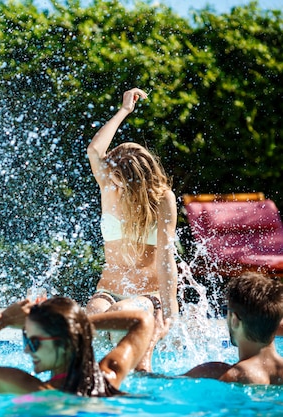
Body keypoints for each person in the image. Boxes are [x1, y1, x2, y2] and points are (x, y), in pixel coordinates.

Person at [85, 88, 179, 360]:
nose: (109, 180)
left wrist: (170, 309)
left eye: (116, 178)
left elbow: (165, 258)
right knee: (90, 323)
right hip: (108, 290)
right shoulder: (108, 188)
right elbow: (94, 150)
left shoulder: (162, 200)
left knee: (119, 317)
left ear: (135, 181)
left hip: (147, 295)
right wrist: (124, 110)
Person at [0, 296, 154, 396]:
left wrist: (2, 320)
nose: (26, 350)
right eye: (26, 340)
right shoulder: (111, 375)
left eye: (33, 342)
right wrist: (71, 325)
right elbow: (143, 320)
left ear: (64, 343)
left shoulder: (32, 389)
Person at [181, 272, 283, 384]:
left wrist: (157, 336)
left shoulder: (224, 374)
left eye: (227, 310)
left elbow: (162, 381)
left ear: (234, 320)